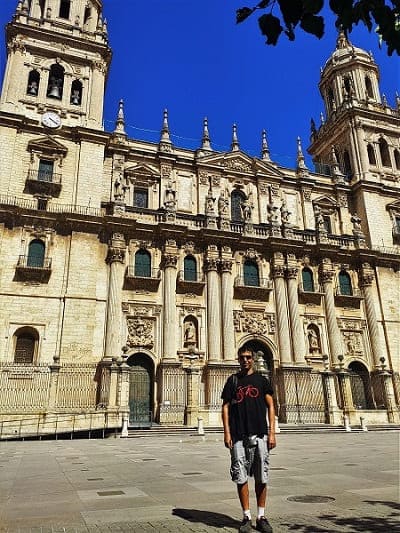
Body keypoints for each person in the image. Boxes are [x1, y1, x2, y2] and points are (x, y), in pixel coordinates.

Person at [221, 346, 276, 533]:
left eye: (248, 357)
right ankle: (246, 516)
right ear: (238, 359)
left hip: (260, 433)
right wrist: (227, 432)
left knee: (262, 476)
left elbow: (271, 405)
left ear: (252, 359)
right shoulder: (233, 380)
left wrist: (272, 433)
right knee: (241, 476)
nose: (245, 360)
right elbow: (226, 407)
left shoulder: (262, 380)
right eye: (242, 357)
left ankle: (261, 516)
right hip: (238, 435)